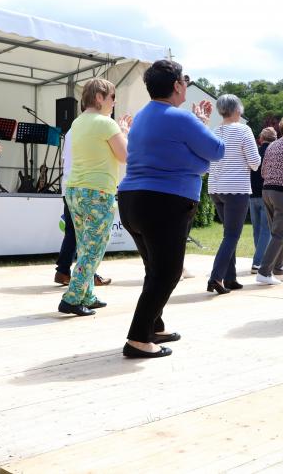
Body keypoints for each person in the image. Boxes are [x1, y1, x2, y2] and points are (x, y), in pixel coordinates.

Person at [118, 60, 223, 358]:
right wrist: (201, 127)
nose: (186, 86)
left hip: (131, 201)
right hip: (165, 203)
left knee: (155, 269)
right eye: (185, 82)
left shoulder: (141, 117)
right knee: (167, 272)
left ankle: (154, 325)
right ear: (177, 85)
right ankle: (138, 338)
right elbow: (216, 151)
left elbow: (172, 157)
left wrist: (196, 161)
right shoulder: (181, 119)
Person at [57, 78, 131, 316]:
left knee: (84, 245)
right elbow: (125, 156)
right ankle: (72, 297)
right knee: (93, 249)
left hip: (74, 190)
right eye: (112, 97)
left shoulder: (77, 123)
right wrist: (125, 132)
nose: (114, 102)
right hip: (98, 192)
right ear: (99, 97)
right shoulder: (106, 124)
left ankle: (87, 294)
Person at [207, 94, 261, 295]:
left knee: (228, 234)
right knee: (232, 234)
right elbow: (255, 162)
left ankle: (230, 277)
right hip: (236, 188)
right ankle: (216, 277)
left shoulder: (214, 131)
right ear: (237, 109)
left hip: (215, 187)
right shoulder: (243, 130)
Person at [53, 129, 111, 288]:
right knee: (88, 235)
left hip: (69, 187)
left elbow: (67, 158)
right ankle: (87, 275)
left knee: (73, 232)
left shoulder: (73, 130)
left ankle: (63, 270)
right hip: (83, 187)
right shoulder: (92, 128)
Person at [256, 116, 283, 285]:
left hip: (266, 190)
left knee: (278, 232)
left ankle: (278, 269)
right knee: (279, 233)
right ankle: (264, 272)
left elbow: (263, 170)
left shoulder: (272, 145)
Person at [249, 127, 277, 274]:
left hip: (251, 195)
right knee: (266, 230)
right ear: (275, 138)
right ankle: (258, 262)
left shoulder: (255, 152)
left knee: (257, 230)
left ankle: (258, 257)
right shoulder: (273, 153)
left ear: (261, 139)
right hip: (265, 194)